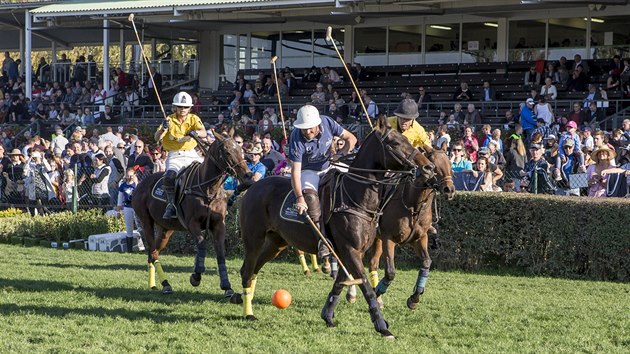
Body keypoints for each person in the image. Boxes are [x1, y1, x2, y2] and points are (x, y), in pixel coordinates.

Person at [289, 105, 357, 259]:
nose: (307, 132)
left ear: (317, 123)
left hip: (329, 165)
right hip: (309, 171)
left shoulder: (327, 122)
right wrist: (300, 198)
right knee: (311, 197)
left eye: (310, 128)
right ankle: (322, 240)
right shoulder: (296, 136)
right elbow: (295, 171)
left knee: (354, 179)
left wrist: (341, 154)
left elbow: (351, 138)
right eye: (304, 128)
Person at [154, 91, 207, 219]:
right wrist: (163, 129)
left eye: (186, 107)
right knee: (170, 176)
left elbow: (203, 132)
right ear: (175, 107)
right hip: (174, 156)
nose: (183, 109)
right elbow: (156, 137)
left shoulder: (194, 118)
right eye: (180, 106)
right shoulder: (169, 120)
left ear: (190, 108)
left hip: (191, 154)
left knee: (206, 173)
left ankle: (213, 201)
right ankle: (171, 205)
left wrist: (196, 132)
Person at [117, 167, 139, 252]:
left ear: (135, 175)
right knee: (129, 228)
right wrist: (118, 211)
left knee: (140, 226)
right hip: (127, 206)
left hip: (136, 207)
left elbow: (140, 195)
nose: (130, 177)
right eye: (128, 175)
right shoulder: (123, 185)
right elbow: (119, 199)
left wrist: (136, 183)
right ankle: (130, 250)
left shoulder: (137, 184)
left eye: (131, 175)